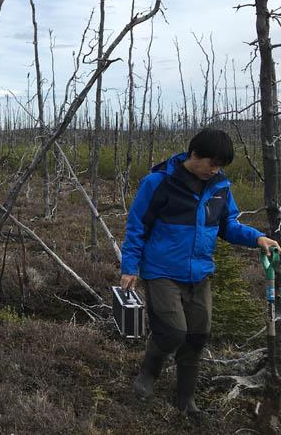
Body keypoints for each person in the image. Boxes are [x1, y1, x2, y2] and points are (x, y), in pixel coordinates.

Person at [120, 128, 280, 415]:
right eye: (212, 163)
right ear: (194, 155)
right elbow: (137, 227)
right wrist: (130, 267)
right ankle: (148, 373)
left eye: (220, 166)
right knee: (172, 332)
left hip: (199, 274)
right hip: (161, 272)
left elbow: (228, 225)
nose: (215, 170)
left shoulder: (220, 187)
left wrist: (257, 237)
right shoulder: (158, 183)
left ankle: (185, 400)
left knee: (197, 336)